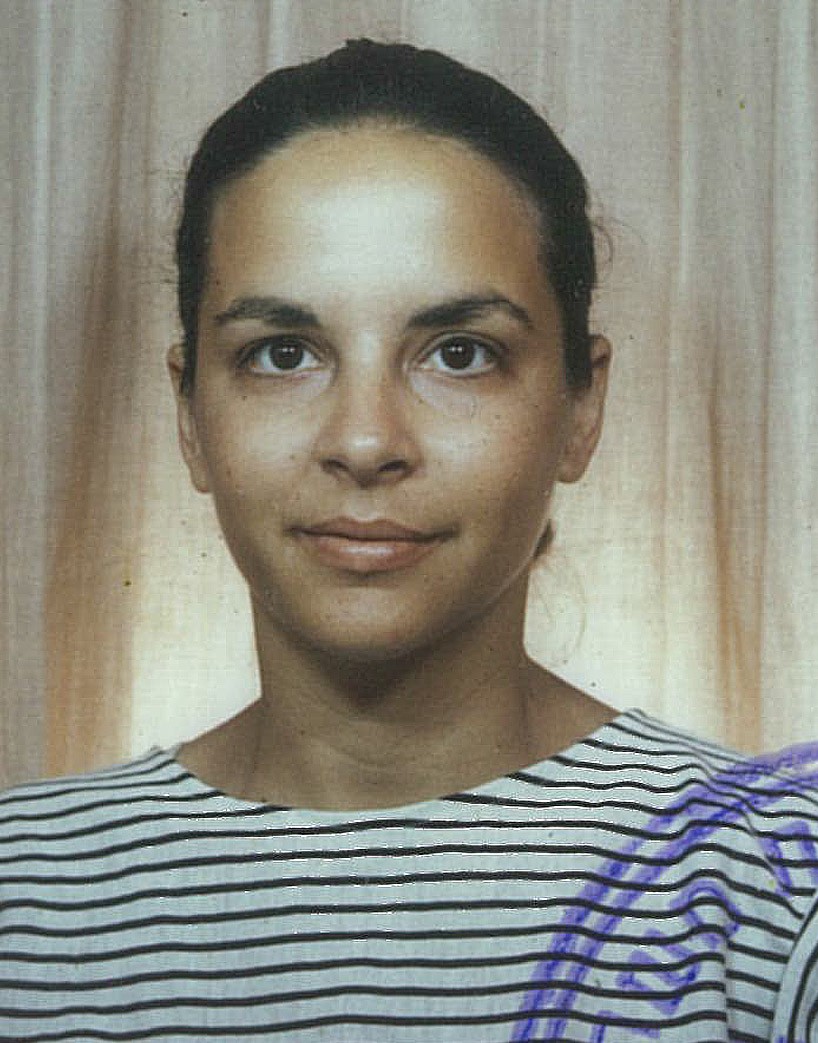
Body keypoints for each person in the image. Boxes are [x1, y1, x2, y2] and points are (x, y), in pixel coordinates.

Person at [1, 39, 817, 1042]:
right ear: (189, 414)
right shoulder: (23, 891)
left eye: (459, 353)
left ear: (580, 408)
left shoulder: (772, 894)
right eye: (283, 353)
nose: (364, 441)